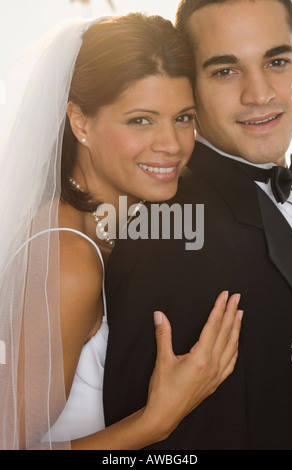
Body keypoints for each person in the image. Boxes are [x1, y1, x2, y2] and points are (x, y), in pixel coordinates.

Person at [0, 13, 243, 450]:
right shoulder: (68, 261)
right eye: (140, 120)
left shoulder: (115, 231)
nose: (171, 144)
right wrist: (156, 421)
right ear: (81, 123)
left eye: (183, 118)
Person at [103, 0, 292, 450]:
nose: (260, 94)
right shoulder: (169, 237)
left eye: (275, 61)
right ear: (189, 85)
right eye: (226, 71)